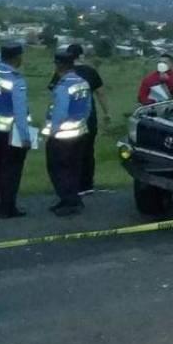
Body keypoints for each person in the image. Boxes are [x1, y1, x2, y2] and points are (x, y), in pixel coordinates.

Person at [48, 44, 110, 196]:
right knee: (88, 151)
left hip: (66, 121)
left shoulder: (62, 72)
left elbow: (54, 92)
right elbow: (100, 93)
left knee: (66, 155)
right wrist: (106, 112)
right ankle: (86, 184)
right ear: (81, 55)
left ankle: (70, 187)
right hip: (88, 118)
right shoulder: (90, 71)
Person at [45, 51, 92, 217]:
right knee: (74, 168)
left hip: (62, 136)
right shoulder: (83, 83)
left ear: (59, 65)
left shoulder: (63, 86)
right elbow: (88, 108)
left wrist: (52, 132)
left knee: (58, 169)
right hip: (80, 133)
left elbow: (60, 112)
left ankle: (68, 201)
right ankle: (71, 199)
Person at [0, 44, 32, 218]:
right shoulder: (16, 80)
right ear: (16, 58)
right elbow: (20, 112)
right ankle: (7, 208)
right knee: (11, 171)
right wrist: (25, 137)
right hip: (10, 133)